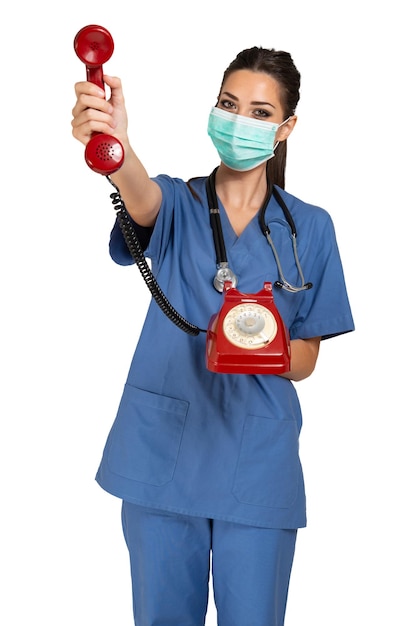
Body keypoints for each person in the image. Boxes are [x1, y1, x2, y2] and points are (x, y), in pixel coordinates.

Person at [71, 46, 354, 626]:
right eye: (228, 105)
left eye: (258, 111)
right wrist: (114, 144)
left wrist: (262, 349)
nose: (238, 122)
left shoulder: (312, 228)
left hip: (256, 464)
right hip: (162, 459)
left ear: (285, 128)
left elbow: (306, 360)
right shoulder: (176, 203)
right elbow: (139, 193)